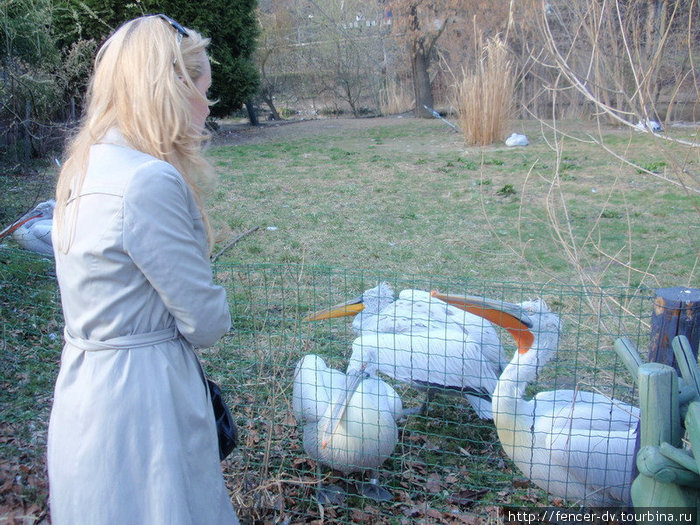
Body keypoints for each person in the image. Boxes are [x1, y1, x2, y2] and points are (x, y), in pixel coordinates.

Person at [47, 14, 239, 524]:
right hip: (144, 403)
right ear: (173, 87)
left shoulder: (82, 168)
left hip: (85, 392)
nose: (207, 109)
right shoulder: (146, 181)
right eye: (204, 90)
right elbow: (205, 322)